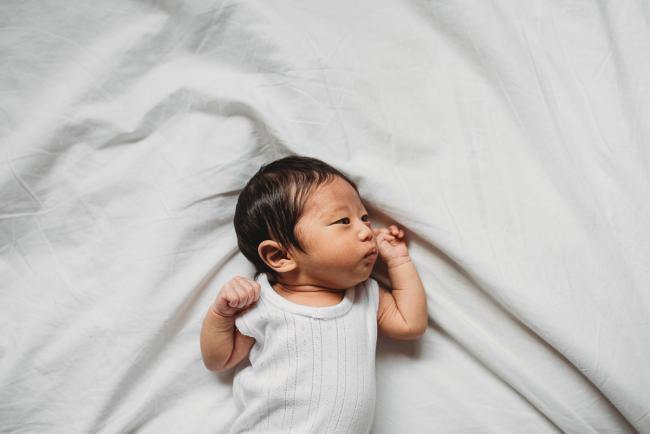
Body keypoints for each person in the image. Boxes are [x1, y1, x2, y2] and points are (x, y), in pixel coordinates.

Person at [200, 155, 428, 434]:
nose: (366, 231)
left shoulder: (365, 295)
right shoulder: (263, 301)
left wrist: (399, 262)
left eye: (365, 217)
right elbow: (218, 360)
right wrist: (220, 315)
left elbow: (411, 323)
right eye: (344, 220)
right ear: (280, 255)